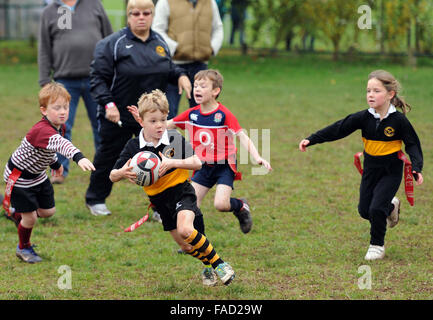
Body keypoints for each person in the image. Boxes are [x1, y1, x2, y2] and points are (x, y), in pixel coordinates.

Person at [112, 89, 235, 286]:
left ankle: (220, 265)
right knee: (187, 246)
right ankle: (208, 265)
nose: (159, 125)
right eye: (153, 121)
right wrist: (121, 173)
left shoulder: (173, 138)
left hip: (182, 192)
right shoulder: (134, 147)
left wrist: (172, 163)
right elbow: (112, 174)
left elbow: (197, 163)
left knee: (186, 229)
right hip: (159, 202)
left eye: (163, 119)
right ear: (141, 121)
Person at [299, 70, 424, 261]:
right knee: (365, 210)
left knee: (375, 209)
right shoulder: (364, 117)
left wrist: (416, 167)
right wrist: (312, 139)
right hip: (371, 169)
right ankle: (390, 207)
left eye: (376, 91)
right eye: (368, 91)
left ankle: (377, 245)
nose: (371, 95)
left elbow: (413, 144)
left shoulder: (399, 121)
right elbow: (338, 128)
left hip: (391, 171)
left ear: (390, 94)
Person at [129, 69, 272, 234]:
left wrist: (257, 157)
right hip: (201, 166)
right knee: (192, 204)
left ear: (215, 91)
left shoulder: (223, 115)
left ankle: (240, 206)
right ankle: (198, 242)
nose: (197, 89)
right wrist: (143, 120)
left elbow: (242, 136)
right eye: (195, 85)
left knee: (221, 204)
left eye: (202, 86)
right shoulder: (192, 114)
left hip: (223, 165)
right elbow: (164, 124)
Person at [85, 0, 192, 216]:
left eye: (145, 13)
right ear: (128, 15)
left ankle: (162, 206)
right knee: (110, 157)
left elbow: (168, 67)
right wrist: (109, 104)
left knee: (161, 160)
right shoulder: (112, 44)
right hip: (119, 116)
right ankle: (96, 199)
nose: (140, 17)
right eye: (135, 13)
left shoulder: (159, 41)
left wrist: (180, 75)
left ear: (152, 15)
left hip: (152, 119)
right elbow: (97, 79)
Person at [2, 83, 95, 263]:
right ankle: (23, 248)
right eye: (56, 108)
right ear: (43, 110)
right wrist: (79, 157)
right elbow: (62, 145)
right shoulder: (42, 130)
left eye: (66, 107)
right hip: (19, 178)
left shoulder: (59, 126)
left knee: (48, 211)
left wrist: (55, 163)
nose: (62, 112)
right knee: (31, 219)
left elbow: (48, 149)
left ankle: (16, 212)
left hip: (37, 174)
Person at [38, 0, 112, 184]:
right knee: (61, 127)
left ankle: (106, 168)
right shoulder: (49, 11)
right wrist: (45, 80)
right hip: (64, 79)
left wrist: (113, 72)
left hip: (96, 78)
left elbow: (110, 39)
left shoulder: (95, 5)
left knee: (101, 125)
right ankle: (60, 170)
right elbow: (44, 48)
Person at [152, 0, 224, 119]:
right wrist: (175, 48)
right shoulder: (166, 2)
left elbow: (218, 28)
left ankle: (201, 137)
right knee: (168, 111)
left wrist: (212, 48)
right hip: (173, 67)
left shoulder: (210, 2)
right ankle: (168, 138)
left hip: (200, 66)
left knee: (203, 112)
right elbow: (157, 29)